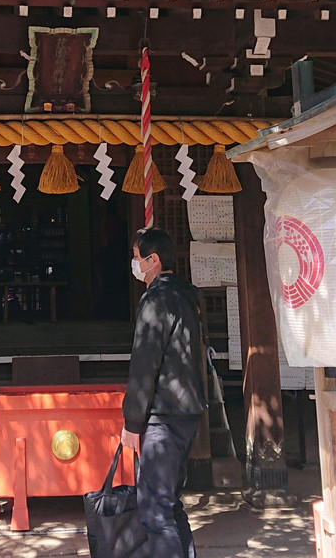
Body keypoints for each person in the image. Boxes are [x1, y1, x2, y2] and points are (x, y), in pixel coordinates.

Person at [122, 227, 207, 558]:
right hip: (186, 411)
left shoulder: (157, 300)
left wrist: (132, 422)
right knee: (169, 503)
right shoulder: (185, 297)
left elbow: (145, 364)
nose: (134, 264)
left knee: (156, 509)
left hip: (165, 415)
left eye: (136, 257)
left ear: (152, 260)